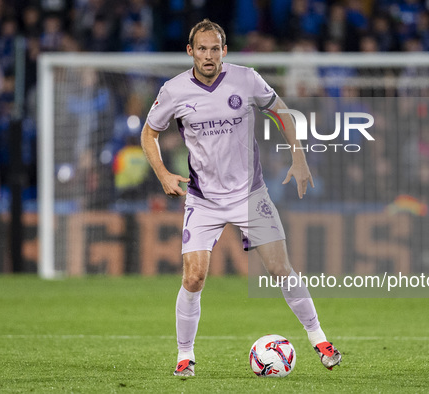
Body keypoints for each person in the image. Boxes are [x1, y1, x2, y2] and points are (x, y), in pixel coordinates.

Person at [141, 18, 341, 377]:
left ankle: (320, 340)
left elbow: (280, 109)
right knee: (194, 278)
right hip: (203, 199)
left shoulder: (245, 78)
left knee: (280, 268)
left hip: (251, 194)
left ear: (224, 50)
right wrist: (163, 174)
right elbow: (148, 133)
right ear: (190, 51)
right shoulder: (173, 91)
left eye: (214, 48)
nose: (208, 55)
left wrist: (299, 156)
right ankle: (184, 356)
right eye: (201, 49)